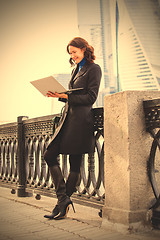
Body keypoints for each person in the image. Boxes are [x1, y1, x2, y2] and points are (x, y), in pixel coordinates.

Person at [44, 37, 102, 220]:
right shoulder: (76, 69)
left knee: (74, 164)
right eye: (70, 53)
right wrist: (58, 96)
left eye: (75, 52)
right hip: (68, 120)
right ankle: (63, 200)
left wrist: (65, 96)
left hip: (81, 123)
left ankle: (61, 204)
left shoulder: (94, 69)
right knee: (49, 154)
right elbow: (72, 95)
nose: (73, 55)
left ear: (84, 49)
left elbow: (90, 98)